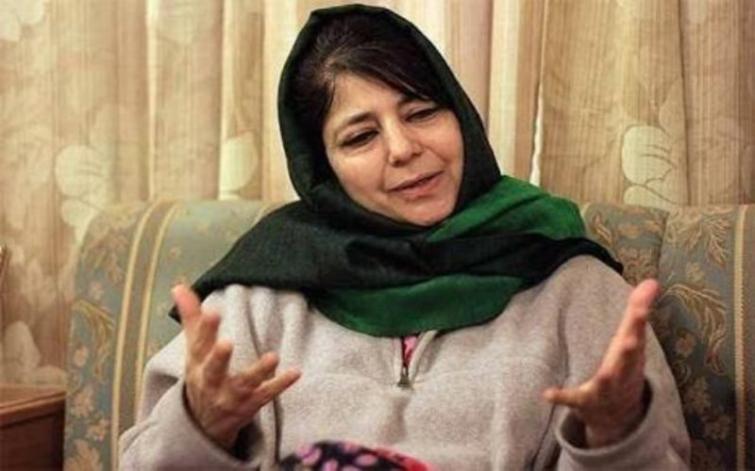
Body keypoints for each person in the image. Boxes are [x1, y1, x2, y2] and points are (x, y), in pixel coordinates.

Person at [119, 4, 690, 470]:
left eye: (421, 113)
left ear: (461, 116)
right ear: (323, 168)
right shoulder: (257, 297)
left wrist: (614, 439)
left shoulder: (576, 287)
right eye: (360, 137)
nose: (402, 148)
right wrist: (202, 428)